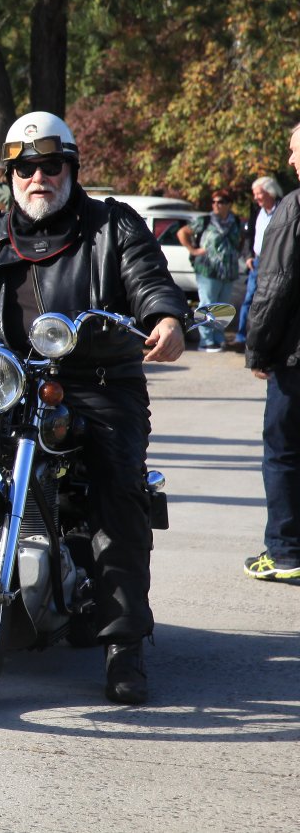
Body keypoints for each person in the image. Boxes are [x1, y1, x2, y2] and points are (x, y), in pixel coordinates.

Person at [0, 110, 187, 705]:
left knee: (118, 488)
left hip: (95, 380)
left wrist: (166, 318)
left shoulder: (112, 227)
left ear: (71, 168)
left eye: (50, 165)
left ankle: (123, 644)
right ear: (9, 176)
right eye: (24, 168)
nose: (37, 178)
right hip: (6, 381)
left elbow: (150, 280)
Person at [244, 125, 300, 584]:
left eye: (295, 151)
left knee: (283, 453)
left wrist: (257, 349)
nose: (291, 159)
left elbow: (274, 285)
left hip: (295, 360)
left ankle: (284, 553)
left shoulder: (293, 207)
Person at [177, 190, 242, 352]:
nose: (216, 205)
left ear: (228, 204)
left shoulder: (235, 221)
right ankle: (205, 341)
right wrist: (193, 250)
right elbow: (182, 232)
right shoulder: (205, 220)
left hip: (228, 271)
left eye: (220, 202)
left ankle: (218, 339)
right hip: (208, 270)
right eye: (213, 202)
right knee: (208, 304)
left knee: (222, 306)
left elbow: (240, 241)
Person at [234, 176, 282, 354]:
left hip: (276, 262)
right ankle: (241, 338)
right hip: (257, 261)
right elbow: (249, 235)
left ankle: (267, 339)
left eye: (258, 194)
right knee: (249, 300)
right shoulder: (256, 210)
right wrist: (248, 255)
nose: (256, 198)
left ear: (270, 192)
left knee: (272, 300)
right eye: (254, 194)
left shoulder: (284, 208)